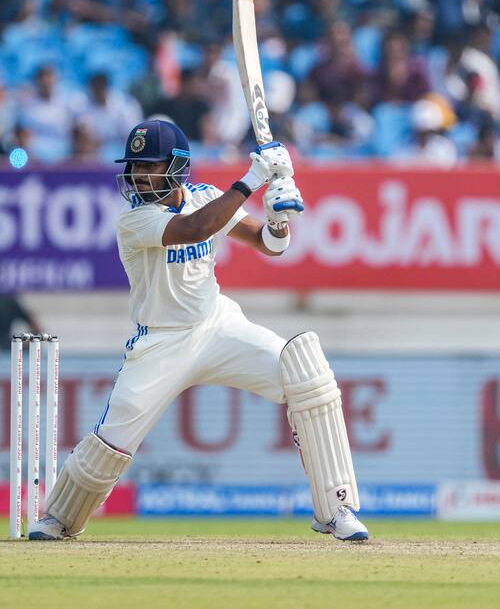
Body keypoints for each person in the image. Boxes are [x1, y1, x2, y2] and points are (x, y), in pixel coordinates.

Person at [28, 120, 369, 542]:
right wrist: (251, 181)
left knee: (308, 374)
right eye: (135, 167)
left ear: (177, 166)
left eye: (150, 165)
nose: (139, 175)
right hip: (160, 341)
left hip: (217, 325)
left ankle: (337, 509)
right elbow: (192, 230)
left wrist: (278, 220)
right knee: (111, 443)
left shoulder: (207, 197)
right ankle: (60, 518)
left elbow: (268, 245)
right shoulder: (133, 221)